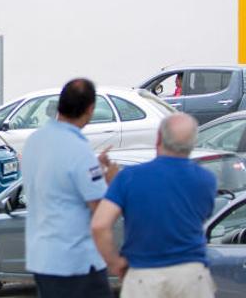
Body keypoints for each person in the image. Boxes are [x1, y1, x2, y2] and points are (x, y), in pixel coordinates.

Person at [90, 113, 216, 298]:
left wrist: (115, 263)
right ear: (192, 143)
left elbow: (100, 225)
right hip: (191, 275)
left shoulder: (129, 177)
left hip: (144, 276)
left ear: (159, 138)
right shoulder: (206, 180)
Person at [21, 78, 118, 297]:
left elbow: (58, 186)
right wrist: (112, 181)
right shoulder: (79, 150)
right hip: (76, 262)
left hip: (42, 259)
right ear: (90, 109)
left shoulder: (34, 142)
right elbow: (100, 210)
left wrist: (95, 172)